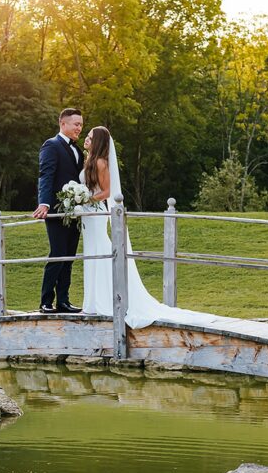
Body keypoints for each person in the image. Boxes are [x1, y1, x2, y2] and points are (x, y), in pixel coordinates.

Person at [80, 127, 219, 330]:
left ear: (98, 141)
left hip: (95, 212)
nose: (86, 138)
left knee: (100, 249)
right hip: (86, 215)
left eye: (90, 137)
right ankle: (91, 301)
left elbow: (107, 191)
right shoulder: (89, 161)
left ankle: (102, 300)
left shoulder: (101, 163)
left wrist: (86, 199)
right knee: (90, 252)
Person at [33, 108, 84, 313]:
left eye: (81, 124)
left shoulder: (78, 150)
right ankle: (46, 301)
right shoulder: (51, 145)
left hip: (75, 212)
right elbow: (46, 176)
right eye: (76, 124)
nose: (79, 128)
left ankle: (63, 300)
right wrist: (44, 203)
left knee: (69, 256)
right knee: (58, 254)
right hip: (56, 210)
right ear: (63, 124)